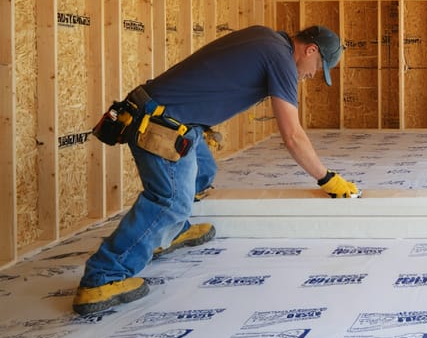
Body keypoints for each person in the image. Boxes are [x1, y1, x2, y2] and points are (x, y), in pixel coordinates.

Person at [73, 24, 360, 315]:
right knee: (170, 202)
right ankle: (102, 278)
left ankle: (168, 234)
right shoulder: (282, 59)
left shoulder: (267, 38)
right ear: (311, 50)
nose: (312, 75)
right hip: (163, 124)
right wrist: (326, 178)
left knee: (203, 172)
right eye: (318, 68)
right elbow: (292, 136)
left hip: (171, 116)